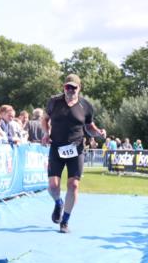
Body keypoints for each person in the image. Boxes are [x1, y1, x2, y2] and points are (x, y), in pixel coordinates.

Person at [41, 74, 105, 234]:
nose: (70, 90)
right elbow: (44, 119)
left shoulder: (86, 106)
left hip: (76, 149)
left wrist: (98, 132)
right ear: (64, 87)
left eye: (73, 87)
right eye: (67, 87)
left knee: (73, 185)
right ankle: (58, 203)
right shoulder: (54, 102)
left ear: (79, 88)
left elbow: (89, 127)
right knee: (53, 186)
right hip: (56, 148)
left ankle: (65, 221)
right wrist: (46, 133)